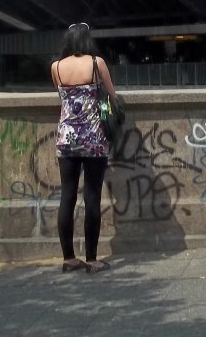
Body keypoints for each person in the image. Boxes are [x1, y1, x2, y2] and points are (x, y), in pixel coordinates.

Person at [50, 22, 117, 273]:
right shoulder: (96, 63)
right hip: (93, 138)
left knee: (67, 195)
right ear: (87, 39)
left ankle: (68, 258)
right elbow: (111, 96)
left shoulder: (56, 67)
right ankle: (91, 259)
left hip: (66, 138)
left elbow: (64, 98)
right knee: (92, 196)